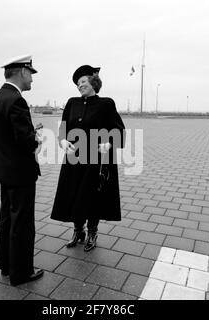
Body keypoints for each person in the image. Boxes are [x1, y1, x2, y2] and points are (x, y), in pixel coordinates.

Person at [51, 65, 125, 252]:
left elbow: (118, 130)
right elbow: (63, 129)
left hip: (97, 161)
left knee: (93, 197)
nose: (79, 86)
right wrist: (62, 140)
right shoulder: (72, 103)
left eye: (83, 81)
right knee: (74, 195)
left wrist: (109, 143)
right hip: (74, 159)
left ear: (93, 82)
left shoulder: (106, 104)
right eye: (77, 84)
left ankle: (92, 232)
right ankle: (78, 231)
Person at [0, 55, 44, 286]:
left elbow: (7, 135)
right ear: (21, 72)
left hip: (4, 170)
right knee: (22, 223)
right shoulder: (17, 100)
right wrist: (36, 138)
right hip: (20, 173)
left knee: (7, 220)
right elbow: (25, 141)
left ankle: (7, 266)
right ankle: (21, 273)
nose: (32, 79)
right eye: (30, 73)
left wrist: (28, 132)